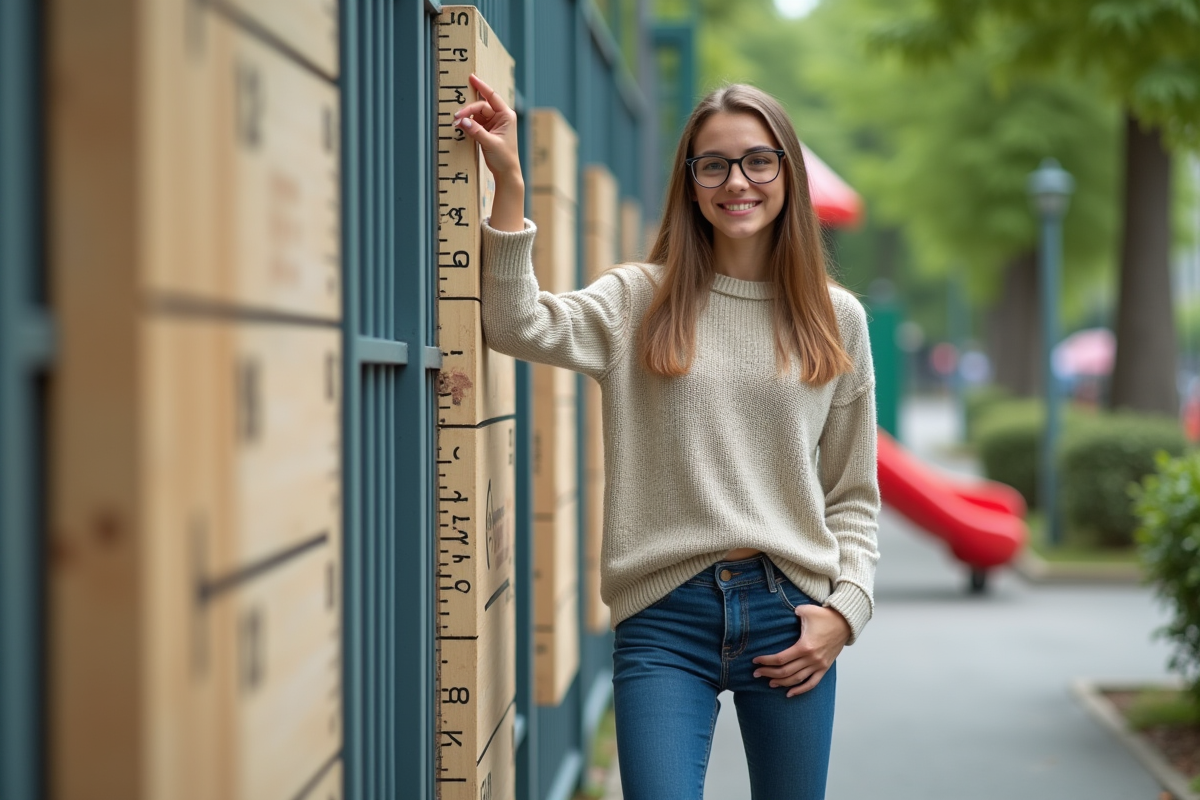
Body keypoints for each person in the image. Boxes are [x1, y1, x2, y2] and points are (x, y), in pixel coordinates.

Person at [453, 74, 880, 800]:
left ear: (787, 173)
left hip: (792, 614)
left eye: (757, 160)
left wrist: (847, 612)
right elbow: (514, 323)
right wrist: (510, 181)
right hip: (663, 617)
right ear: (689, 182)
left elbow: (853, 498)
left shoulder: (836, 320)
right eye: (712, 163)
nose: (736, 180)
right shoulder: (637, 300)